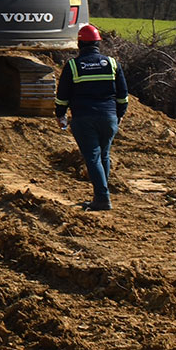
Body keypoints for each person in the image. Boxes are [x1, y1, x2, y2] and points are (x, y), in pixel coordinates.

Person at [56, 23, 129, 211]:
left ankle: (102, 198)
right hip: (109, 117)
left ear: (79, 44)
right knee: (103, 155)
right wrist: (119, 114)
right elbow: (123, 95)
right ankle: (101, 195)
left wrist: (60, 115)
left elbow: (62, 96)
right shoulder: (112, 64)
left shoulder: (73, 66)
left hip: (84, 118)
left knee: (93, 157)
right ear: (98, 44)